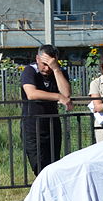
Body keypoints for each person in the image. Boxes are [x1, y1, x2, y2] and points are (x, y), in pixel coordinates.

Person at [21, 44, 73, 175]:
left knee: (53, 165)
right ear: (37, 58)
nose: (46, 68)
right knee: (38, 166)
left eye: (50, 64)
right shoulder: (30, 70)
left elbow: (66, 94)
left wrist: (56, 69)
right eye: (44, 63)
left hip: (52, 126)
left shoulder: (59, 71)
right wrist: (57, 96)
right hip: (33, 127)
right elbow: (31, 94)